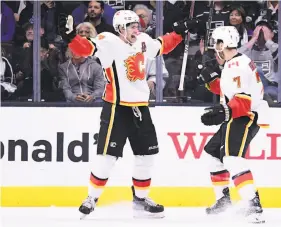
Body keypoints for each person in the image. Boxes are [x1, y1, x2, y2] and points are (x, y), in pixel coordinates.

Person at [67, 10, 199, 219]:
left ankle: (140, 198)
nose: (137, 29)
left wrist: (180, 32)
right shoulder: (108, 41)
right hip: (116, 108)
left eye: (137, 25)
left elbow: (162, 45)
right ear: (120, 28)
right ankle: (91, 198)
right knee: (107, 157)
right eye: (132, 26)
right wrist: (70, 37)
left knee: (146, 156)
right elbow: (84, 49)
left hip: (140, 108)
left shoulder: (143, 40)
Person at [197, 26, 270, 224]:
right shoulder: (235, 62)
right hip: (238, 115)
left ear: (223, 44)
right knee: (214, 154)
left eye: (216, 44)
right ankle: (223, 198)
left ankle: (253, 205)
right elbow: (228, 90)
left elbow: (243, 100)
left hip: (244, 116)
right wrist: (211, 81)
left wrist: (222, 112)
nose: (215, 49)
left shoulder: (235, 66)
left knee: (232, 159)